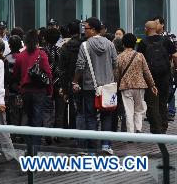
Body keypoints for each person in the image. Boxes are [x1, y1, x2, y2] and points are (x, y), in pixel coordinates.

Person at [72, 17, 117, 155]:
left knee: (90, 117)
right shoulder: (110, 44)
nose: (83, 31)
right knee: (107, 116)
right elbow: (116, 64)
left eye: (85, 28)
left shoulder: (85, 46)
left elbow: (80, 66)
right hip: (108, 87)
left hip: (90, 87)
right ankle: (106, 145)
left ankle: (92, 149)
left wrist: (75, 81)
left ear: (93, 29)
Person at [13, 30, 53, 151]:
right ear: (37, 42)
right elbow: (48, 75)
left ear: (24, 42)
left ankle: (29, 147)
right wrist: (49, 91)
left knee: (28, 119)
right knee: (37, 120)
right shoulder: (41, 54)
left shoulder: (20, 56)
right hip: (39, 92)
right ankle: (34, 150)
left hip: (25, 92)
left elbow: (16, 75)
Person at [137, 20, 176, 134]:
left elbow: (140, 61)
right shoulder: (165, 40)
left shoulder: (143, 42)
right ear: (156, 29)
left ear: (147, 29)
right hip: (165, 75)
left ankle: (156, 128)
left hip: (150, 77)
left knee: (152, 103)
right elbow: (175, 54)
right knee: (163, 102)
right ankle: (163, 127)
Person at [115, 33, 157, 133]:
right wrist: (152, 85)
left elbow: (116, 74)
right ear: (135, 44)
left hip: (125, 86)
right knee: (139, 109)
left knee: (129, 111)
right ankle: (138, 128)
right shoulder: (139, 56)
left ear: (123, 44)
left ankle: (130, 132)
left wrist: (116, 86)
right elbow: (146, 72)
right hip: (139, 85)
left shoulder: (119, 57)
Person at [58, 21, 82, 130]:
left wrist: (64, 88)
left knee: (73, 107)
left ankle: (73, 132)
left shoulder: (65, 47)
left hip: (70, 82)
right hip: (85, 81)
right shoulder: (85, 45)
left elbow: (62, 70)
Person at [152, 16, 177, 121]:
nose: (155, 25)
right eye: (153, 23)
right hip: (154, 67)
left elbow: (175, 52)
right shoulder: (151, 37)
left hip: (168, 65)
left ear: (162, 24)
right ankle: (158, 112)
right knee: (156, 88)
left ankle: (170, 111)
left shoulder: (169, 36)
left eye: (157, 23)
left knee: (170, 88)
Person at [5, 35, 23, 128]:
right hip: (23, 89)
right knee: (24, 113)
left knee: (13, 113)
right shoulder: (24, 57)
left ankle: (14, 134)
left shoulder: (6, 58)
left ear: (9, 45)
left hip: (11, 90)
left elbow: (4, 76)